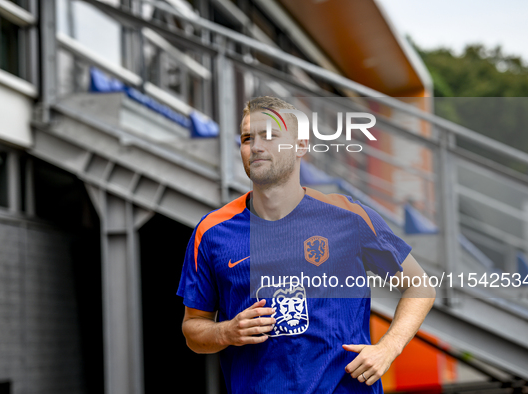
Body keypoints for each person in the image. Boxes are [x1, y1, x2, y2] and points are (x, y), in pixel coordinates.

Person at [177, 96, 436, 393]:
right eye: (248, 138)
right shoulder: (211, 232)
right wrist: (226, 331)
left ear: (301, 146)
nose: (257, 146)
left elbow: (420, 286)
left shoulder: (349, 217)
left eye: (271, 136)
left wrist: (388, 348)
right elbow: (193, 330)